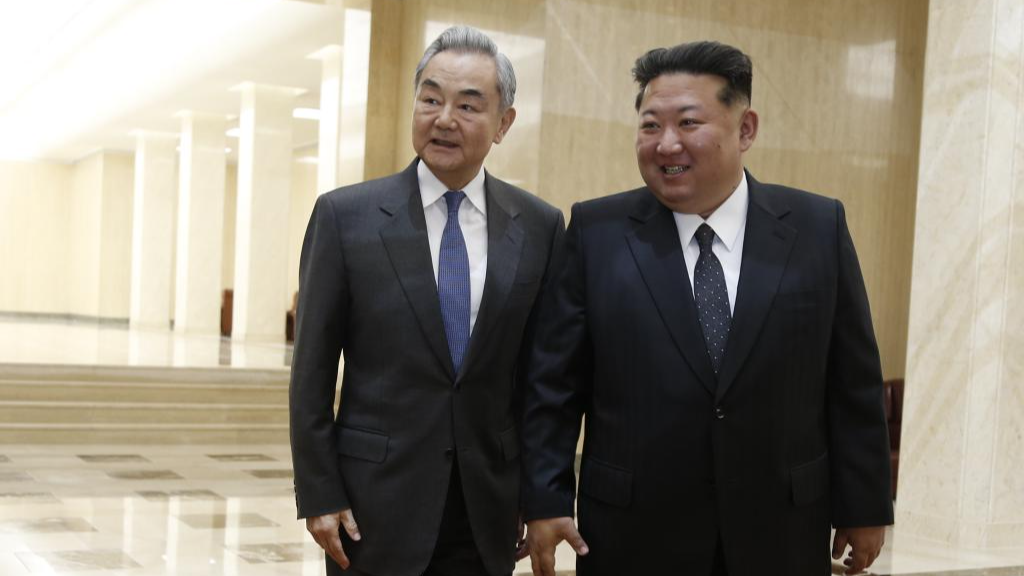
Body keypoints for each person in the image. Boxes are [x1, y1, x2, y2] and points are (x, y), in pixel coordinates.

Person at [521, 40, 893, 576]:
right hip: (633, 532)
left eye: (689, 123)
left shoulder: (817, 228)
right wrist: (547, 498)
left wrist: (864, 505)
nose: (666, 144)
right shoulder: (598, 232)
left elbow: (853, 380)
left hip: (781, 528)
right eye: (650, 126)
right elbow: (554, 384)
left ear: (746, 130)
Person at [290, 25, 564, 576]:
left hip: (488, 507)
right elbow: (312, 369)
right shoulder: (347, 217)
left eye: (468, 105)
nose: (444, 118)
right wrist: (318, 491)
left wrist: (542, 499)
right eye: (431, 98)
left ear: (504, 122)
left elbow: (541, 381)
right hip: (371, 506)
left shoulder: (539, 225)